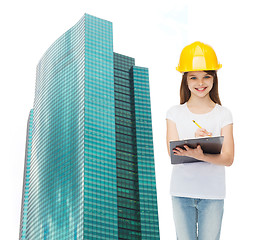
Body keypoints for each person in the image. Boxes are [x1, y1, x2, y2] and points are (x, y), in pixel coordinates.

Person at [166, 41, 234, 240]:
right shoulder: (174, 113)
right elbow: (173, 152)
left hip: (213, 194)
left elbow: (228, 158)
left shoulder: (224, 114)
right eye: (193, 77)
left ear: (214, 78)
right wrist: (199, 147)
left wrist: (201, 154)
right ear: (185, 80)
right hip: (181, 192)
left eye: (206, 76)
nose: (200, 83)